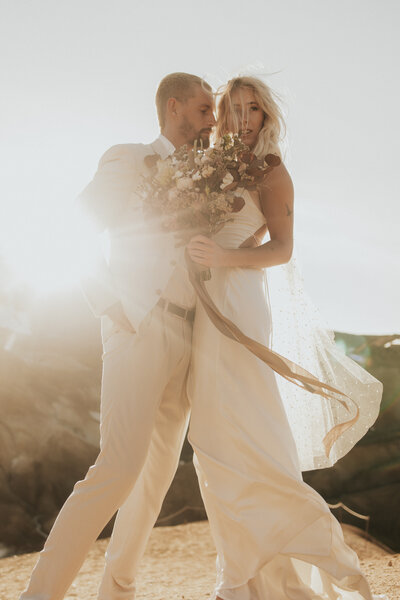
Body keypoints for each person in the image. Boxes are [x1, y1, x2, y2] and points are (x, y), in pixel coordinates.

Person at [187, 76, 387, 600]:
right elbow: (240, 230)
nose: (246, 117)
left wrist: (222, 258)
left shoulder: (273, 171)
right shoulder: (212, 167)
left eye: (255, 108)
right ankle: (247, 575)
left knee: (249, 426)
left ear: (267, 116)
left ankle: (319, 555)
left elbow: (282, 248)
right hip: (205, 306)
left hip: (243, 305)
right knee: (211, 439)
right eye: (235, 107)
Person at [19, 72, 216, 600]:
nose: (212, 120)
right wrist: (107, 303)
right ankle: (40, 594)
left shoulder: (207, 175)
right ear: (174, 108)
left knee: (153, 480)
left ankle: (118, 591)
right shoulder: (130, 159)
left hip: (188, 335)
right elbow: (75, 223)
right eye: (203, 109)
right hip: (139, 324)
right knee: (117, 468)